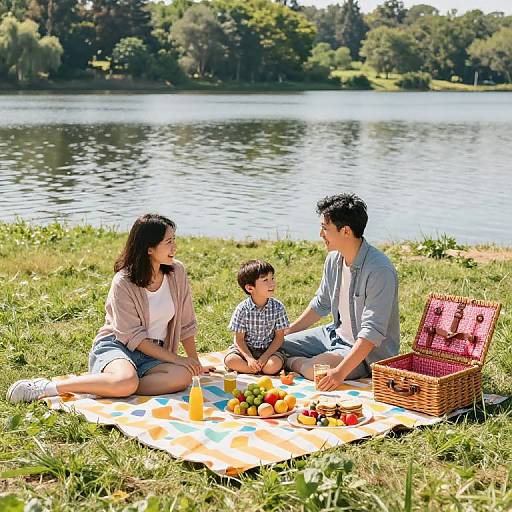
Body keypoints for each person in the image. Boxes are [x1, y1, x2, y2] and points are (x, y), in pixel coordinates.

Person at [7, 213, 213, 404]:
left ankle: (111, 385)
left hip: (155, 354)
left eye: (174, 239)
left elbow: (186, 322)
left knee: (184, 376)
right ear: (149, 248)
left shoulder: (177, 272)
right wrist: (178, 359)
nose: (174, 247)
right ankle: (47, 387)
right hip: (119, 346)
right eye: (169, 242)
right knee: (127, 381)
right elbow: (134, 337)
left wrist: (193, 363)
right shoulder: (124, 281)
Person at [282, 193, 399, 391]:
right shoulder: (334, 259)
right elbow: (321, 304)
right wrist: (285, 333)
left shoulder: (379, 270)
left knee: (315, 370)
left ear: (345, 231)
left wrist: (340, 373)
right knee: (271, 344)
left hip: (365, 354)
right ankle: (289, 357)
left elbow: (371, 333)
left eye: (325, 229)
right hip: (333, 335)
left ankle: (292, 362)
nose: (321, 234)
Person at [224, 259, 289, 375]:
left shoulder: (278, 307)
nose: (272, 283)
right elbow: (239, 339)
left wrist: (265, 357)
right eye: (265, 280)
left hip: (269, 351)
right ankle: (255, 369)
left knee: (272, 366)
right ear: (250, 288)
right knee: (230, 360)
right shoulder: (242, 309)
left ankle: (256, 369)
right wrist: (249, 359)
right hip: (246, 351)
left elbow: (279, 338)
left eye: (272, 278)